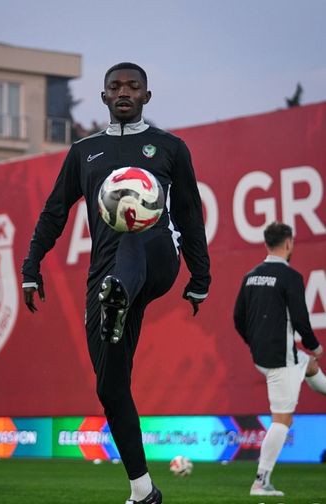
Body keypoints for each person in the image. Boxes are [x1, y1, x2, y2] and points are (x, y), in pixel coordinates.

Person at [21, 62, 211, 504]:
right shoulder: (84, 152)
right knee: (109, 387)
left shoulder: (169, 148)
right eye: (115, 87)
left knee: (133, 236)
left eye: (133, 86)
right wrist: (31, 265)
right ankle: (143, 491)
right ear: (104, 97)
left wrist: (200, 275)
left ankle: (118, 297)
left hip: (159, 256)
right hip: (104, 275)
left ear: (147, 95)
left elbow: (188, 212)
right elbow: (54, 212)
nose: (124, 92)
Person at [233, 221, 326, 497]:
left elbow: (238, 318)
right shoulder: (290, 277)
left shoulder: (251, 276)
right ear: (288, 243)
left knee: (309, 368)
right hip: (280, 357)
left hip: (266, 354)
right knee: (283, 420)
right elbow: (300, 320)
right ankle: (261, 481)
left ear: (266, 244)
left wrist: (255, 342)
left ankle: (308, 363)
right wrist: (315, 346)